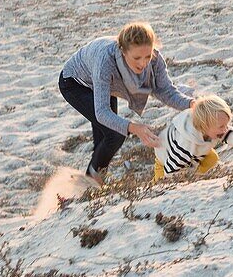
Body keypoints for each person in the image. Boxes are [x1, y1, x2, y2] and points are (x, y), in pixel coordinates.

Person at [59, 22, 192, 184]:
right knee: (115, 134)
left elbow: (166, 91)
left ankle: (91, 182)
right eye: (136, 58)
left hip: (105, 85)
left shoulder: (155, 60)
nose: (143, 63)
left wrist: (192, 104)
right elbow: (102, 112)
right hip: (75, 82)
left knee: (105, 139)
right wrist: (135, 128)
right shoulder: (106, 61)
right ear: (122, 51)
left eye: (147, 56)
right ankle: (91, 184)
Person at [153, 95, 233, 181]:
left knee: (212, 159)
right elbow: (171, 170)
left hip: (197, 149)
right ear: (204, 126)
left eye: (226, 125)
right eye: (221, 126)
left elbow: (229, 133)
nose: (225, 129)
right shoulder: (185, 146)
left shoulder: (214, 127)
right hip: (166, 160)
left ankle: (198, 177)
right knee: (160, 184)